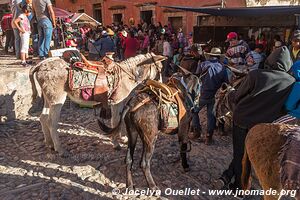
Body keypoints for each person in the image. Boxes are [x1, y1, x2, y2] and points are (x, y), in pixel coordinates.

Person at [217, 46, 295, 198]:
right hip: (263, 127)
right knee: (257, 158)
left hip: (242, 121)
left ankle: (239, 188)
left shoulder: (256, 75)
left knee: (240, 155)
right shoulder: (291, 81)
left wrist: (231, 93)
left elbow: (239, 96)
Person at [190, 47, 229, 145]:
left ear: (210, 56)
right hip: (214, 96)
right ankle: (208, 137)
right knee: (211, 116)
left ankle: (197, 132)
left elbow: (196, 78)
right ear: (218, 57)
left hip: (202, 95)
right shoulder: (223, 68)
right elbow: (226, 84)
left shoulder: (203, 64)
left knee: (194, 111)